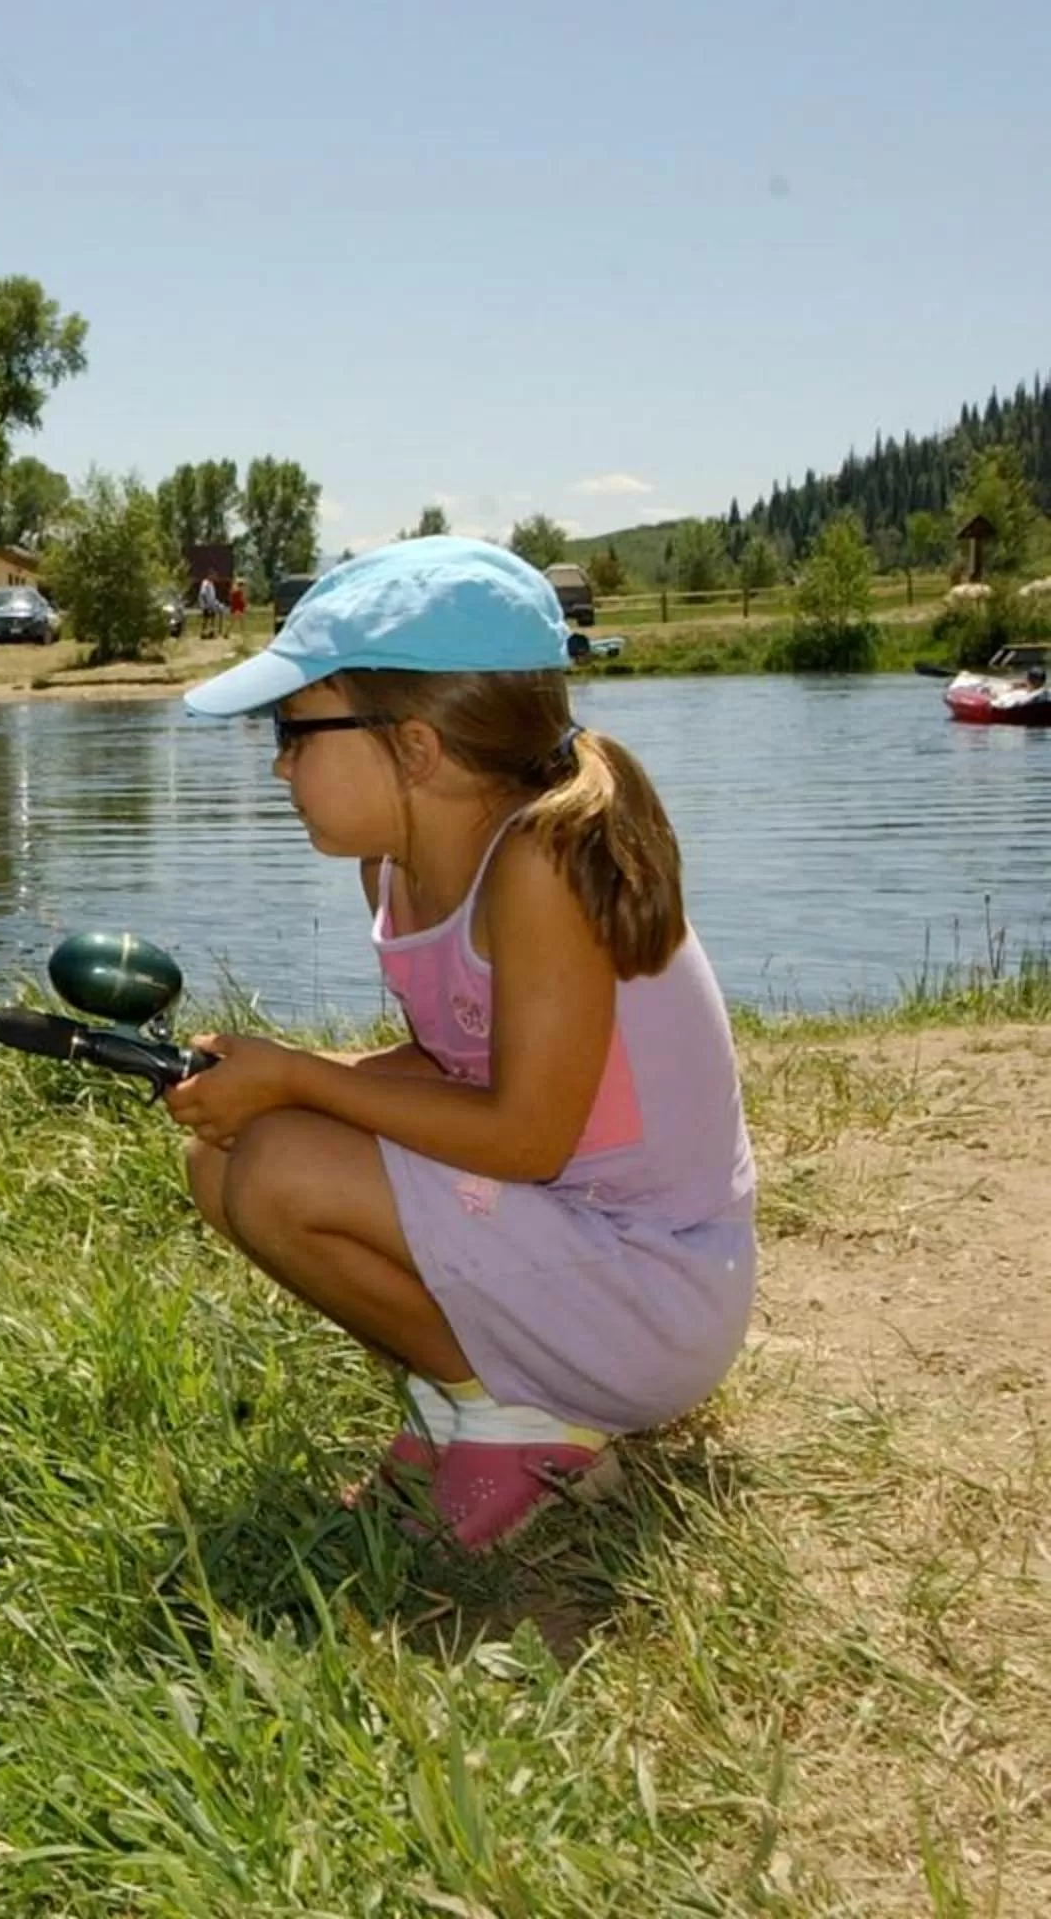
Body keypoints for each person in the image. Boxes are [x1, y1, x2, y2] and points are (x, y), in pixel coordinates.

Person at [165, 536, 756, 1551]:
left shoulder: (539, 865)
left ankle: (530, 1424)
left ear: (415, 747)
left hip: (654, 1293)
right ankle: (465, 1404)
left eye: (296, 730)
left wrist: (305, 1081)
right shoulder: (396, 870)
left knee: (280, 1166)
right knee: (224, 1161)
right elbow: (458, 1068)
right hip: (574, 1248)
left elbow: (525, 1137)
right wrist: (272, 1082)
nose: (279, 762)